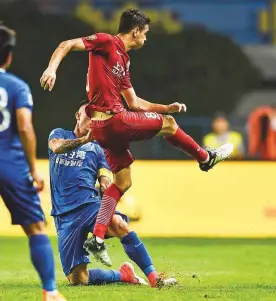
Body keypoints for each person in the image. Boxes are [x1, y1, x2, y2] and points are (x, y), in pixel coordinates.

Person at [40, 9, 233, 265]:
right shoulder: (107, 42)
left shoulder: (124, 61)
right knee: (169, 126)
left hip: (103, 128)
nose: (146, 38)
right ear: (136, 31)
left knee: (122, 181)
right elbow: (66, 44)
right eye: (146, 33)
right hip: (113, 120)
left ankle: (97, 238)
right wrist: (52, 69)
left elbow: (134, 102)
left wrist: (166, 108)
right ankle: (205, 157)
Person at [48, 100, 177, 288]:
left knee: (119, 224)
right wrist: (84, 140)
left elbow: (105, 174)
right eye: (88, 115)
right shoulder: (59, 134)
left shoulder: (99, 148)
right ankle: (123, 275)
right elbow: (56, 147)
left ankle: (154, 278)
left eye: (95, 118)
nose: (92, 120)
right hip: (64, 216)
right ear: (77, 116)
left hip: (90, 207)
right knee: (78, 279)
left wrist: (104, 183)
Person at [0, 24, 66, 301]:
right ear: (9, 56)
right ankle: (50, 291)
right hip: (10, 162)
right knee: (36, 228)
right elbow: (25, 128)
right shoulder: (16, 87)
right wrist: (32, 169)